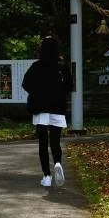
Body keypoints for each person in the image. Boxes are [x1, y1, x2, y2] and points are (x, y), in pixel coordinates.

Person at [22, 36, 70, 188]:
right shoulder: (62, 66)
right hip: (58, 108)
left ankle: (47, 176)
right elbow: (69, 86)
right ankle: (57, 163)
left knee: (42, 144)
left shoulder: (36, 66)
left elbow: (26, 84)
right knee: (55, 142)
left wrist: (37, 93)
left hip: (41, 109)